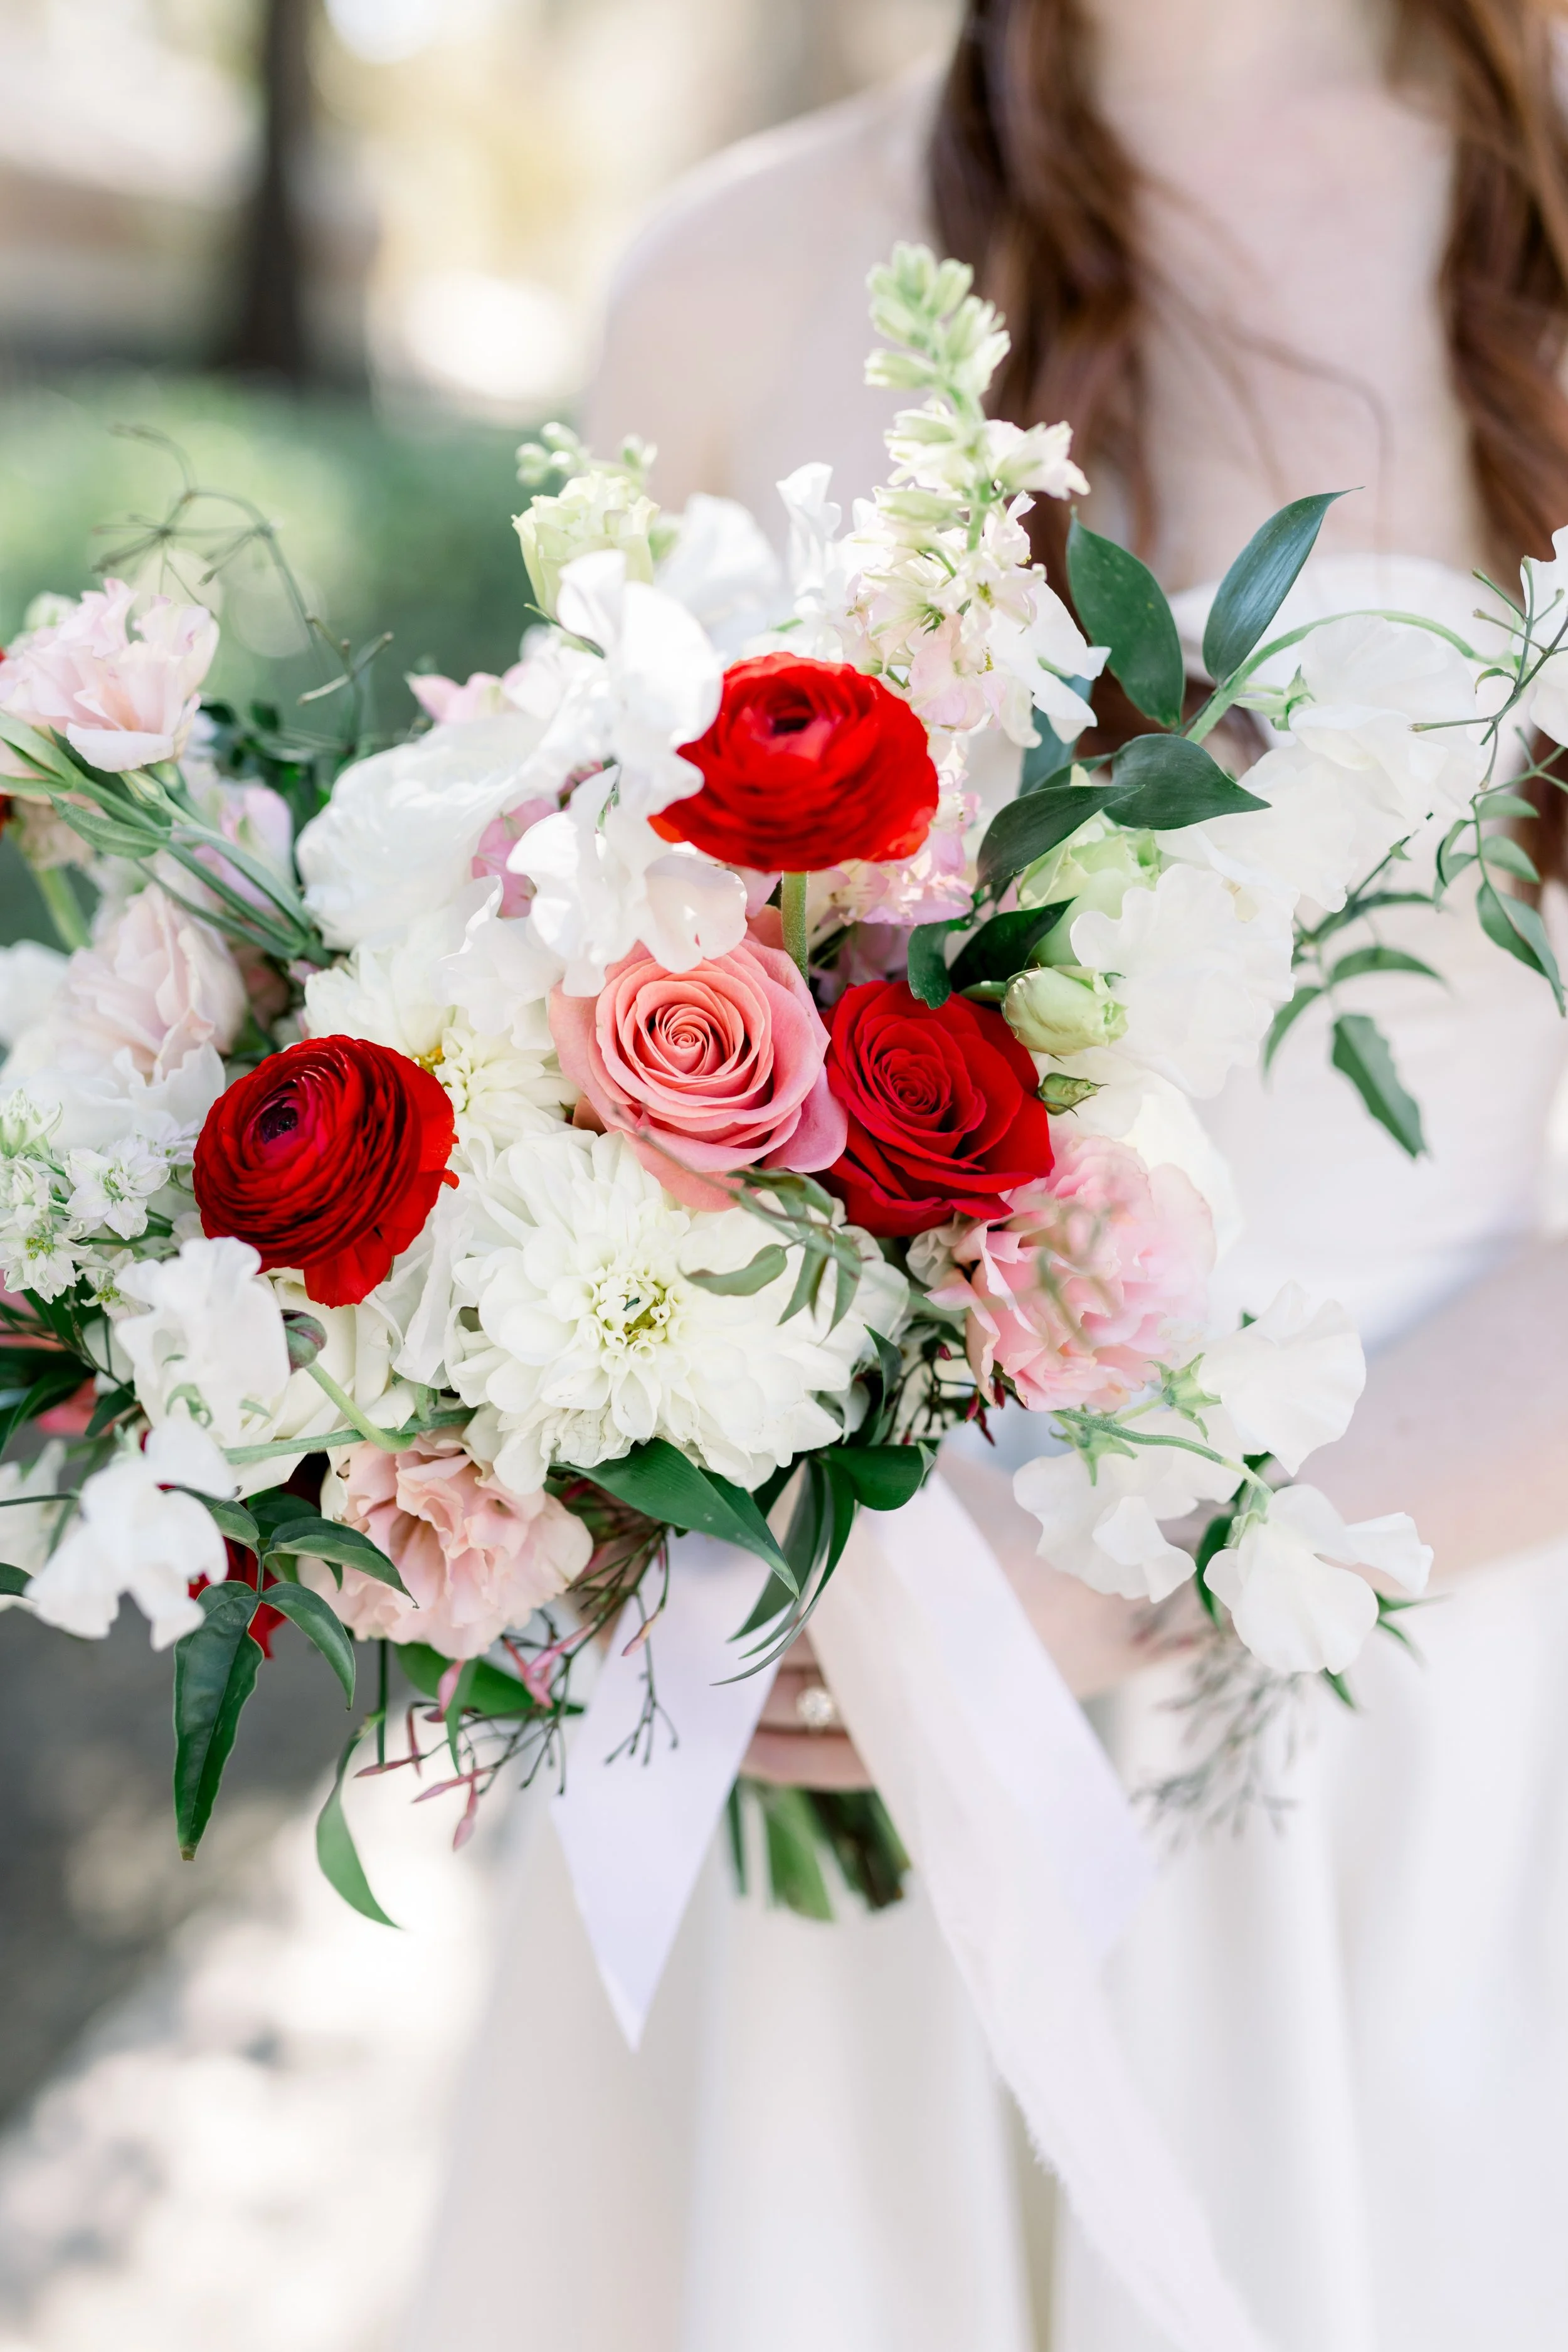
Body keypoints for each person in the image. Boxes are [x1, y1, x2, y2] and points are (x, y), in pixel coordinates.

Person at [400, 5, 1568, 2346]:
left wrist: (1122, 1579)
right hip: (812, 1727)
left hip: (1383, 1703)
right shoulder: (721, 277)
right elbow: (537, 1013)